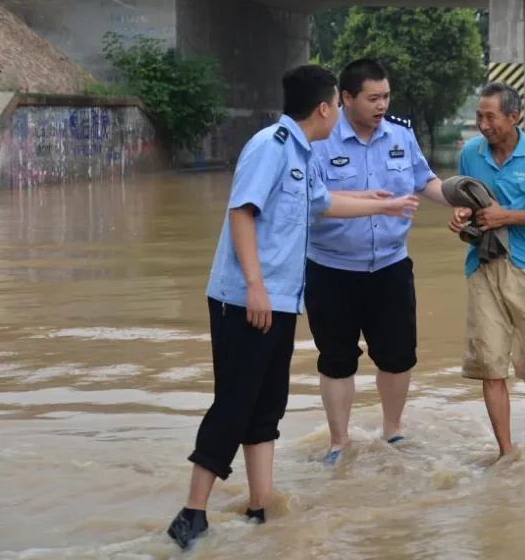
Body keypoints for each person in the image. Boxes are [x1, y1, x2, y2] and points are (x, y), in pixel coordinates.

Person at [166, 65, 419, 550]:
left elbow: (322, 203)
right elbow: (241, 211)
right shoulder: (271, 147)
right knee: (236, 402)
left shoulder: (301, 153)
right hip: (246, 299)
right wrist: (256, 286)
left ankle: (261, 501)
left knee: (267, 404)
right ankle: (191, 511)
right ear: (326, 108)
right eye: (336, 110)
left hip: (281, 299)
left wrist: (379, 204)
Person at [306, 58, 449, 464]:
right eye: (373, 98)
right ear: (345, 98)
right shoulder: (319, 141)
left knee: (398, 353)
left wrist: (458, 201)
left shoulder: (401, 137)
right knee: (336, 358)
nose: (381, 104)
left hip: (390, 266)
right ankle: (339, 441)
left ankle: (393, 431)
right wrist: (374, 209)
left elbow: (425, 182)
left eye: (385, 96)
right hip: (331, 269)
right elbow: (313, 205)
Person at [447, 82, 525, 456]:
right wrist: (461, 214)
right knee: (489, 363)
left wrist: (508, 215)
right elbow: (468, 199)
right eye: (478, 116)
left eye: (491, 117)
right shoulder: (471, 153)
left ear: (514, 117)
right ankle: (506, 452)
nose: (483, 125)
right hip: (483, 266)